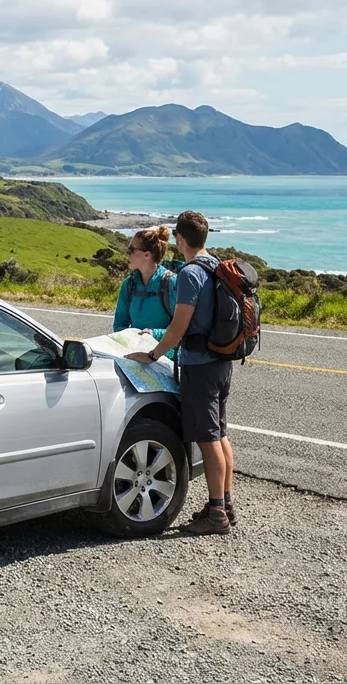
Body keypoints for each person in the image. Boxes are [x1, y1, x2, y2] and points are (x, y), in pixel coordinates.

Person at [127, 210, 236, 535]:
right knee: (220, 433)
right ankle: (226, 503)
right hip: (221, 361)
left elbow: (179, 326)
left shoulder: (190, 273)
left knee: (207, 438)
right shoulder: (215, 265)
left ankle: (216, 512)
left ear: (180, 239)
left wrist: (153, 354)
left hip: (200, 365)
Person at [113, 226, 178, 361]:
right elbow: (119, 324)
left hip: (165, 360)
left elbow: (182, 328)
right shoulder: (128, 285)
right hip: (135, 357)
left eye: (131, 250)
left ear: (147, 255)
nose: (128, 254)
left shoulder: (171, 283)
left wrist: (154, 334)